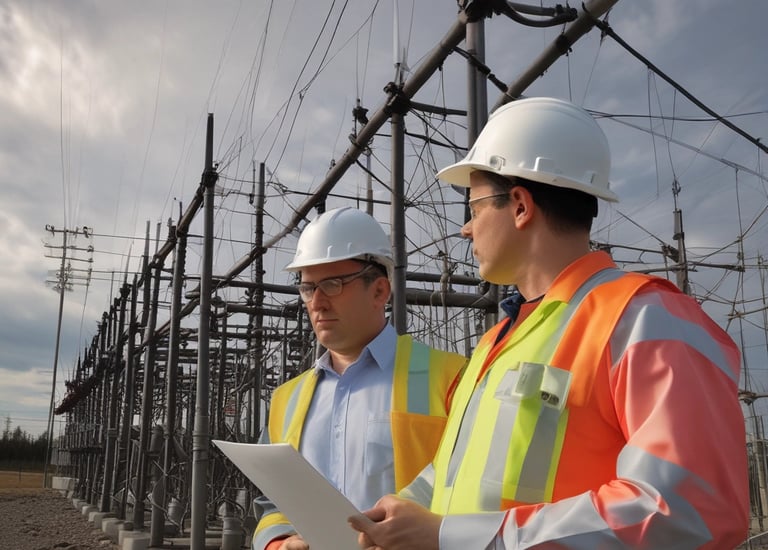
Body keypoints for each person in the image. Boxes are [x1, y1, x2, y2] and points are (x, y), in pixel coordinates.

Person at [349, 97, 749, 549]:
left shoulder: (643, 318)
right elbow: (458, 473)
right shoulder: (496, 342)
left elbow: (688, 509)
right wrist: (398, 512)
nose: (465, 229)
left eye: (474, 208)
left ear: (520, 206)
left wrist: (453, 537)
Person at [252, 206, 467, 550]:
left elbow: (470, 493)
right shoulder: (285, 401)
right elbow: (271, 502)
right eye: (308, 288)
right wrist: (277, 544)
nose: (317, 303)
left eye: (333, 285)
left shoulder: (452, 378)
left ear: (380, 291)